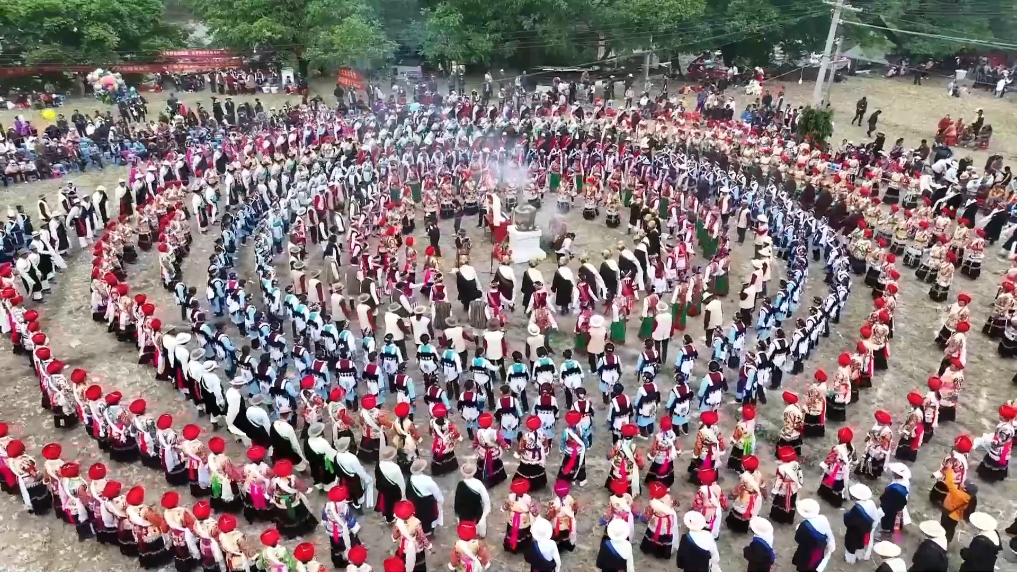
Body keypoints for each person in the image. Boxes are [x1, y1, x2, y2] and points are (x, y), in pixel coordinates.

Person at [792, 498, 835, 572]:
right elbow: (828, 532)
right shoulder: (823, 518)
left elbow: (797, 539)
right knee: (815, 563)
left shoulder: (804, 526)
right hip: (820, 548)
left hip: (807, 551)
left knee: (805, 565)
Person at [842, 483, 878, 564]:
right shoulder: (871, 503)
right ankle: (859, 556)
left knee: (851, 545)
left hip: (854, 532)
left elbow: (848, 522)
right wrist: (871, 528)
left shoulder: (856, 509)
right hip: (866, 530)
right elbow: (875, 517)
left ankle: (850, 560)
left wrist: (846, 514)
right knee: (861, 544)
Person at [878, 463, 910, 536]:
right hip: (900, 503)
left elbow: (886, 498)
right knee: (898, 516)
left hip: (892, 504)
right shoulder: (906, 481)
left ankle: (887, 531)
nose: (893, 473)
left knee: (889, 518)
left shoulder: (895, 487)